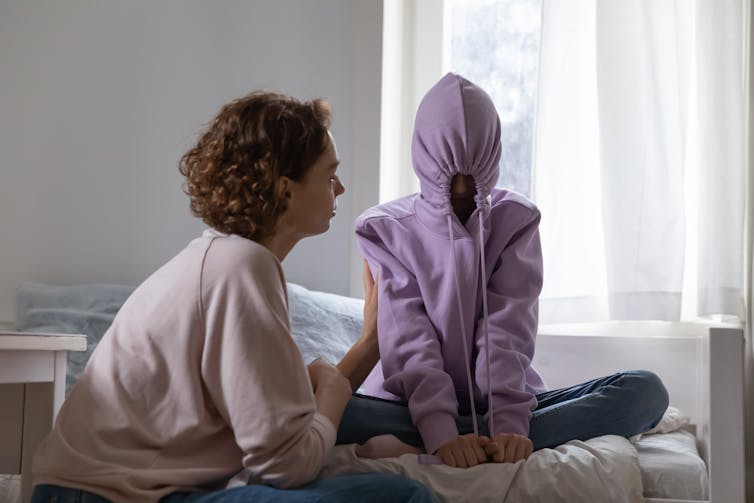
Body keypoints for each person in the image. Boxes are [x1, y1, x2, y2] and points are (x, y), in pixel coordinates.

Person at [30, 91, 436, 503]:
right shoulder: (241, 268)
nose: (341, 188)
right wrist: (331, 393)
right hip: (98, 496)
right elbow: (285, 464)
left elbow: (280, 425)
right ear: (285, 189)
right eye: (330, 175)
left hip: (85, 491)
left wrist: (366, 347)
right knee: (401, 497)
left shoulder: (227, 259)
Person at [337, 72, 669, 468]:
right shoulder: (384, 230)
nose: (461, 188)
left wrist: (510, 425)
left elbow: (505, 332)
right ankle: (444, 441)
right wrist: (440, 433)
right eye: (448, 172)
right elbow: (411, 341)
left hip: (503, 405)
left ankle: (464, 443)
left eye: (473, 173)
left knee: (647, 391)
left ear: (492, 158)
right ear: (423, 157)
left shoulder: (517, 220)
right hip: (406, 405)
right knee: (326, 414)